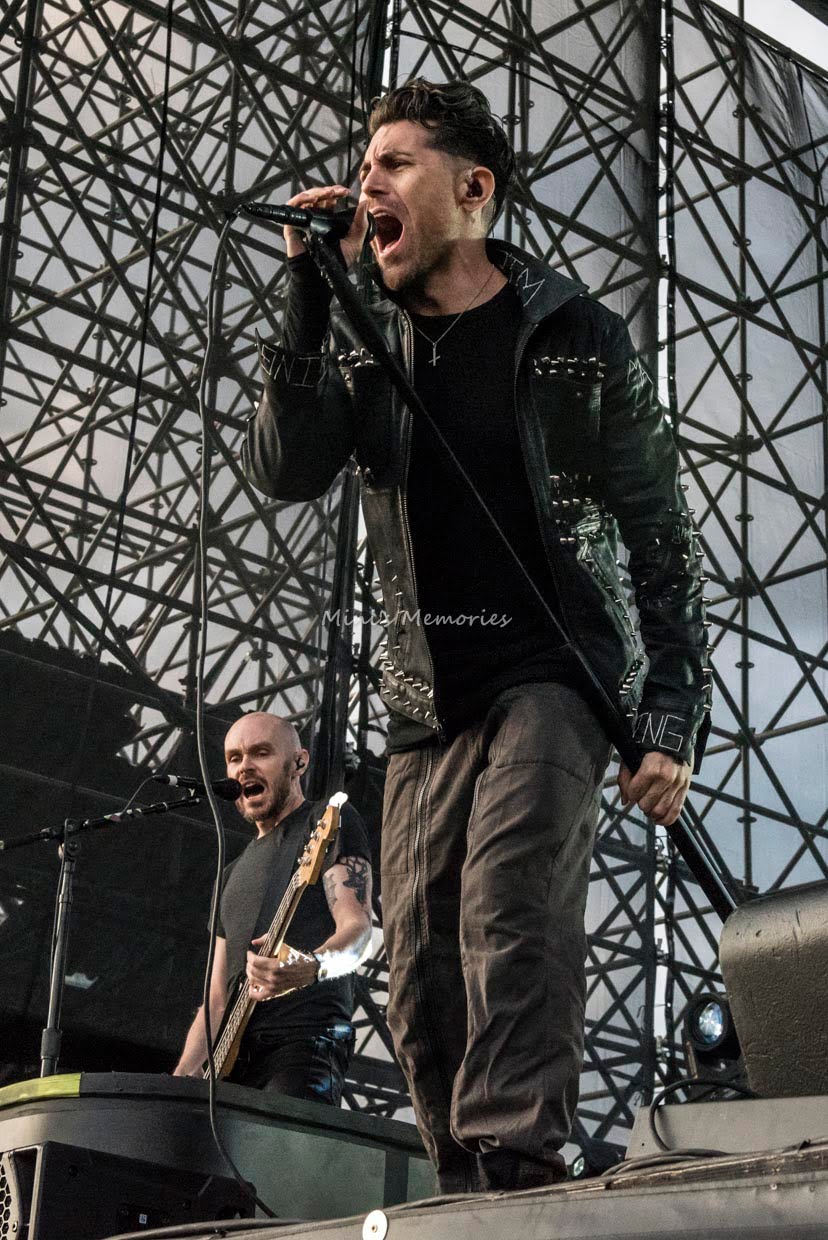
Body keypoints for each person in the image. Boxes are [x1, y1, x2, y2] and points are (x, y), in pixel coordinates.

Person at [242, 80, 712, 1191]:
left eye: (394, 163)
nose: (366, 180)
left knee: (508, 899)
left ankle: (516, 1155)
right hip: (427, 695)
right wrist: (309, 294)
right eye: (365, 165)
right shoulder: (362, 338)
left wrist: (670, 714)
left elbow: (661, 531)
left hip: (557, 670)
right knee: (418, 961)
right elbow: (285, 468)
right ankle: (466, 1182)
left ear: (472, 188)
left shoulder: (577, 334)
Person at [173, 712, 372, 1105]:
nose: (244, 766)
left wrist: (311, 967)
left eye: (260, 753)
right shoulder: (230, 874)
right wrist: (182, 1075)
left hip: (302, 1044)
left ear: (298, 762)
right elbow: (217, 996)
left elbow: (359, 931)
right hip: (231, 1063)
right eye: (234, 758)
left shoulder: (326, 821)